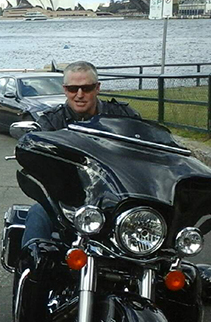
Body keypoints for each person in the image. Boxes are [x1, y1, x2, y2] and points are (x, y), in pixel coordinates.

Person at [21, 61, 140, 247]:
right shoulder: (51, 122)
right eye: (72, 88)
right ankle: (30, 271)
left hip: (116, 196)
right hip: (68, 197)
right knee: (38, 214)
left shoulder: (123, 116)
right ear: (64, 89)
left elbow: (147, 148)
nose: (79, 95)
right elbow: (37, 153)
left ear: (97, 88)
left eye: (87, 88)